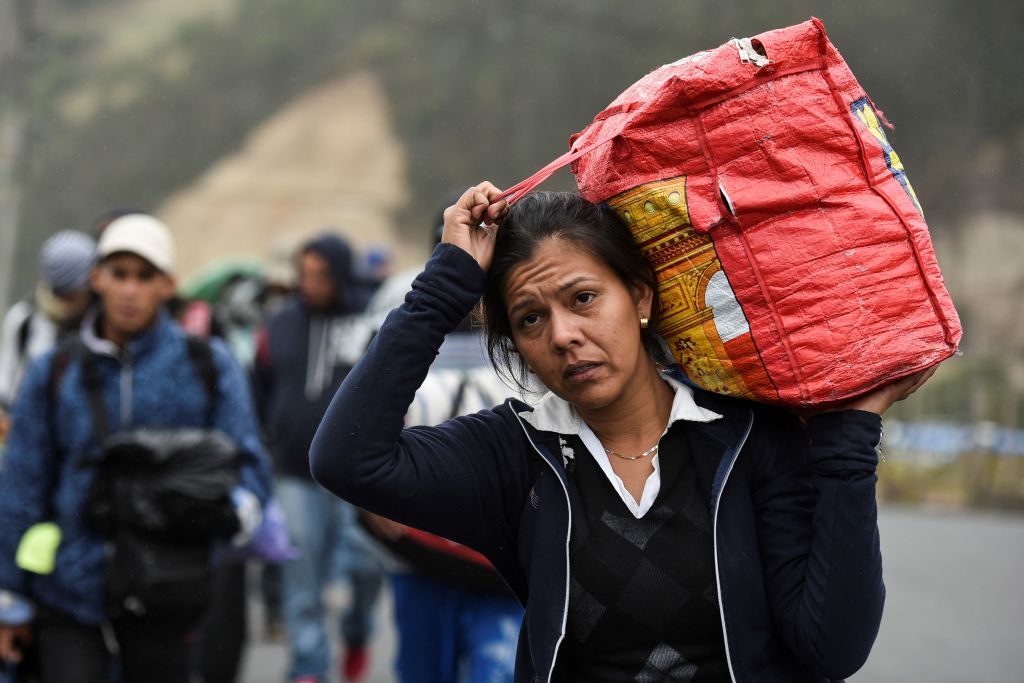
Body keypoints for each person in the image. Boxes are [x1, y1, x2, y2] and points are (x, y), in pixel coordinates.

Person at [310, 184, 937, 682]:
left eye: (583, 298)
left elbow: (832, 648)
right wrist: (444, 286)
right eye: (531, 319)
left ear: (639, 297)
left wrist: (850, 440)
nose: (561, 335)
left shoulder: (747, 436)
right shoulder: (515, 454)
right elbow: (346, 459)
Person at [0, 213, 272, 683]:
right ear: (97, 278)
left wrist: (231, 516)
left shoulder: (207, 364)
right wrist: (9, 598)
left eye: (144, 277)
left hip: (170, 589)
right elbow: (23, 483)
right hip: (69, 585)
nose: (129, 289)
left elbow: (248, 464)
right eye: (119, 274)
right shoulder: (54, 370)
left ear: (167, 285)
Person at [357, 205, 524, 683]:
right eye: (455, 252)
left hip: (504, 554)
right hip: (421, 552)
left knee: (499, 671)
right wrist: (368, 492)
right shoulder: (401, 325)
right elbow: (354, 425)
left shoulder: (528, 321)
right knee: (426, 670)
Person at [252, 233, 384, 683]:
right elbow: (261, 385)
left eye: (320, 275)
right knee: (300, 567)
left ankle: (358, 631)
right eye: (303, 273)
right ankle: (308, 666)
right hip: (293, 469)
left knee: (365, 564)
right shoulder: (281, 321)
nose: (309, 283)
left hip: (356, 473)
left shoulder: (369, 321)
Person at [0, 230, 96, 436]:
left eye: (75, 292)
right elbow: (6, 386)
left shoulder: (102, 326)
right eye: (63, 293)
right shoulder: (24, 320)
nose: (68, 302)